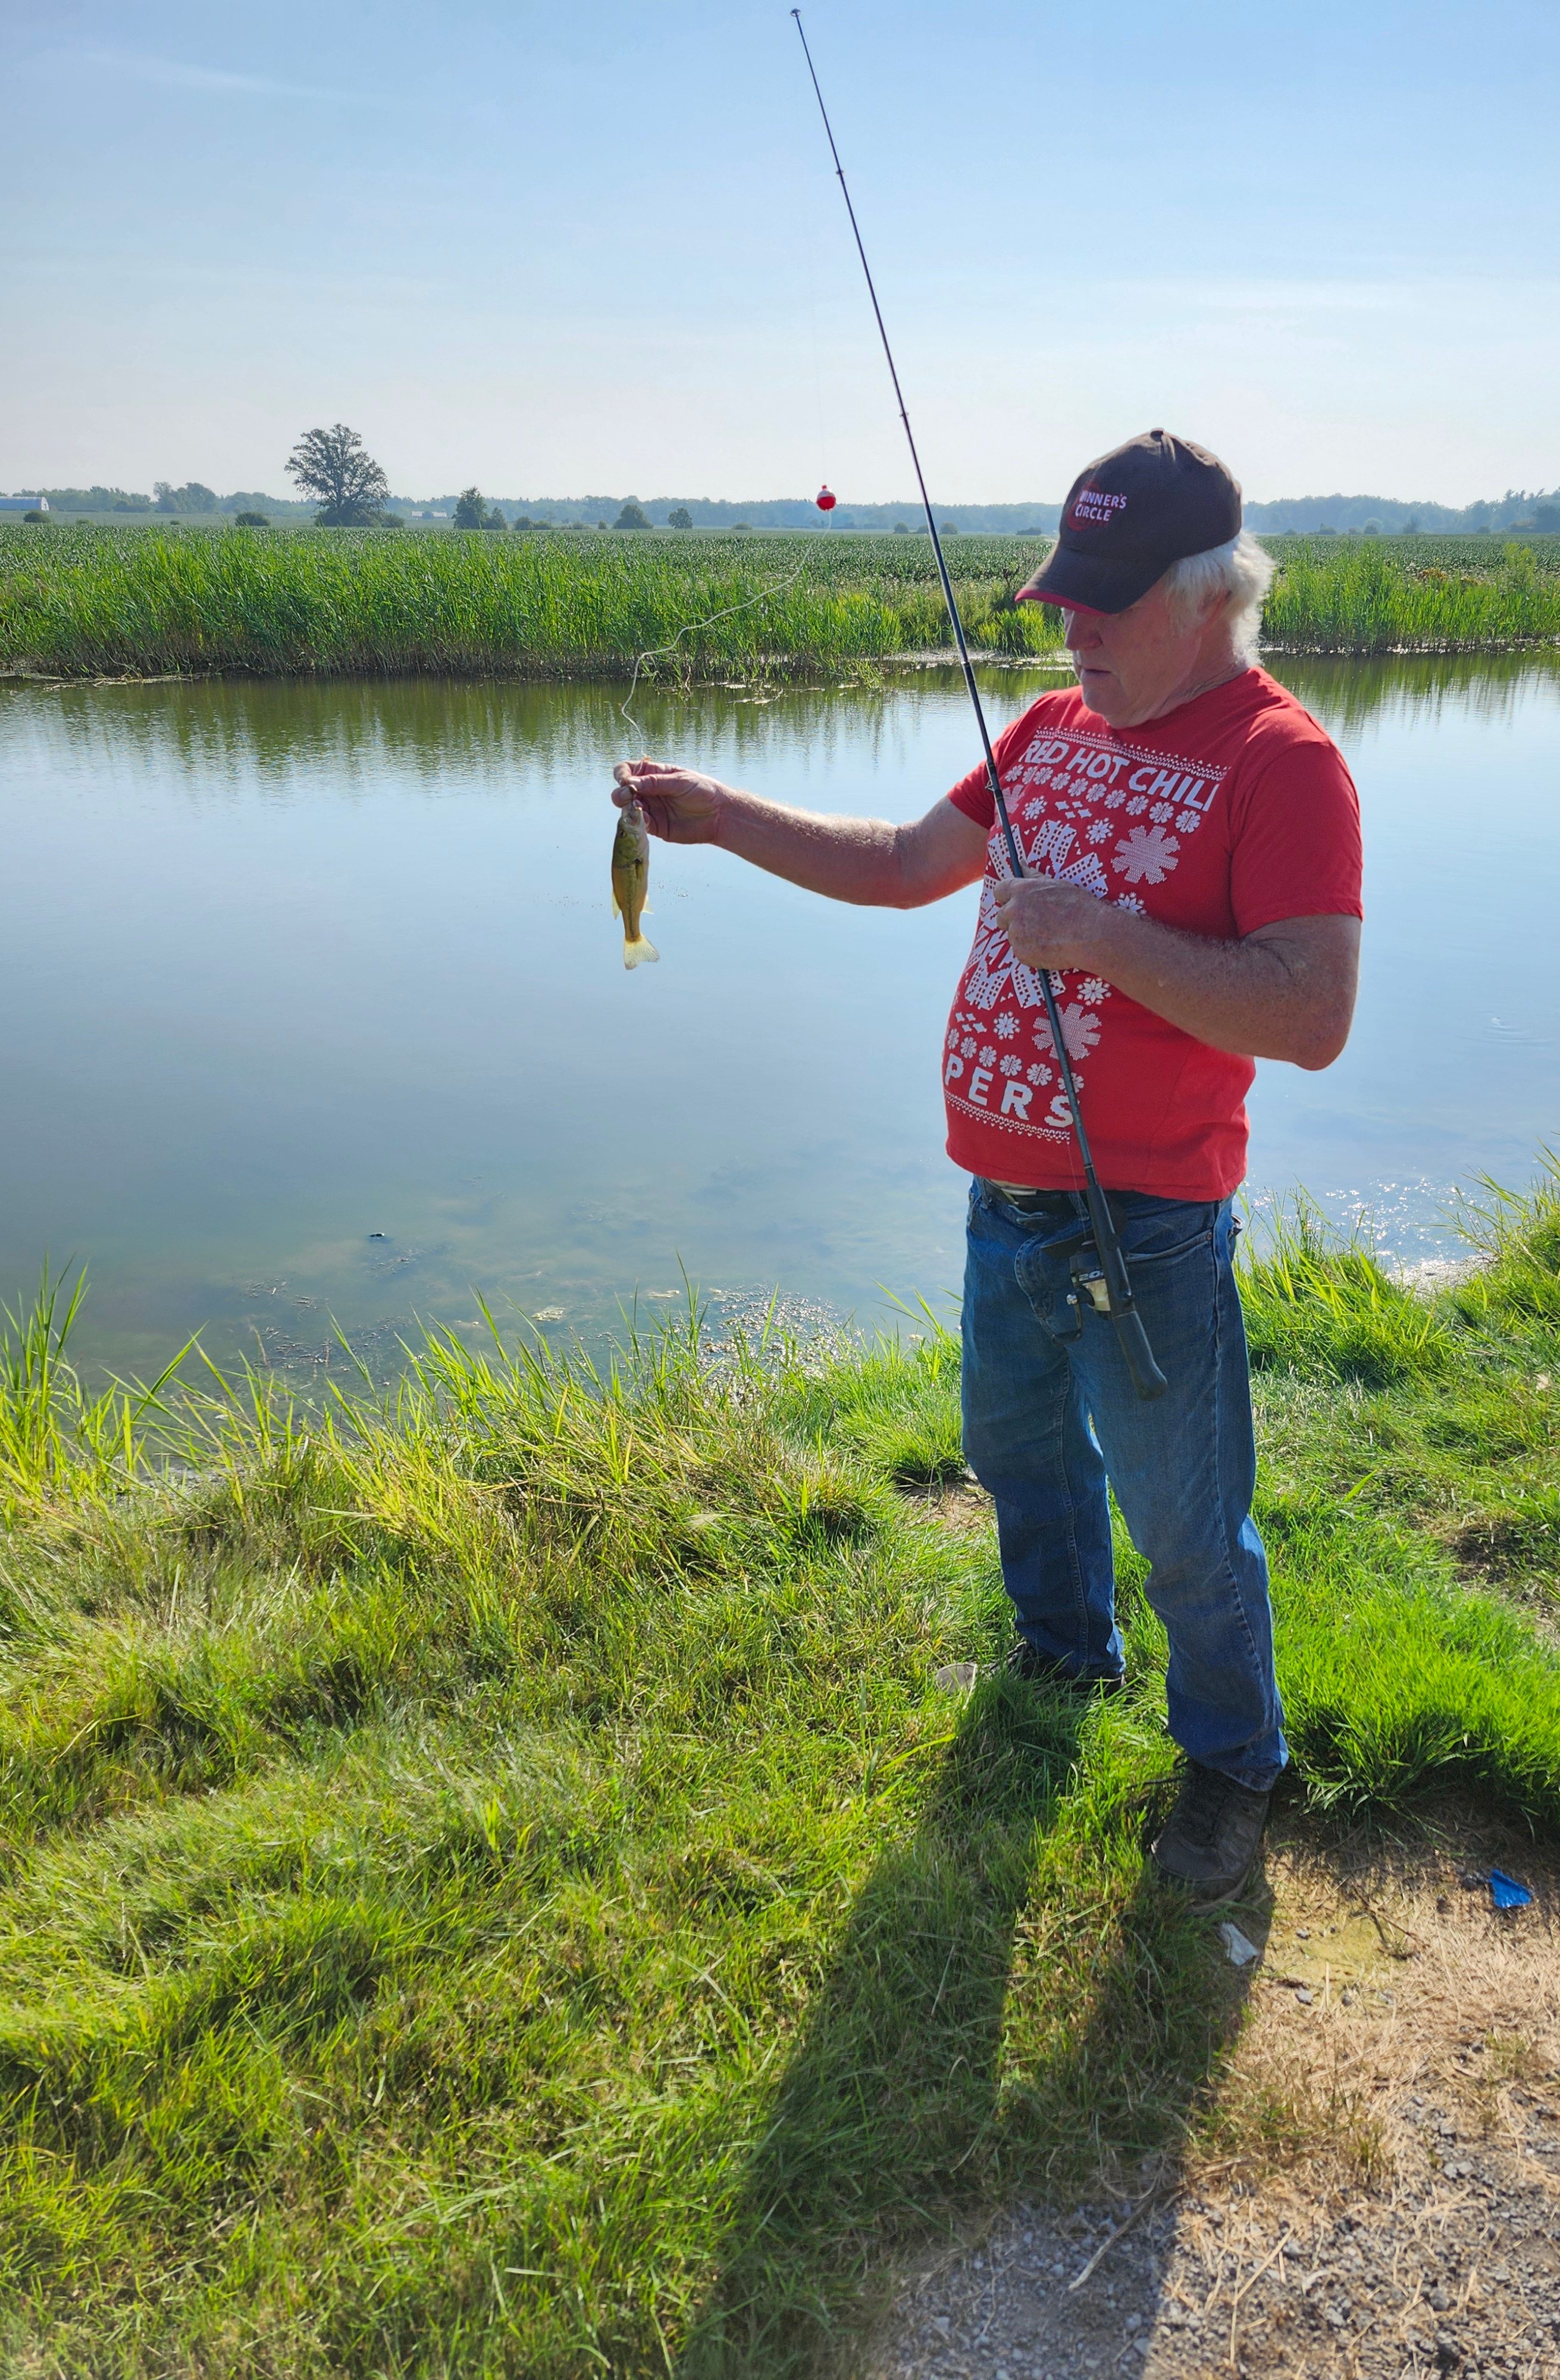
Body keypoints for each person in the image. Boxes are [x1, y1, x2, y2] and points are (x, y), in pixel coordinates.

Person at [613, 431, 1363, 1906]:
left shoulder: (1284, 764)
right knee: (1017, 1456)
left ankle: (1232, 1764)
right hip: (1002, 1206)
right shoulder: (1046, 727)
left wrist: (1099, 936)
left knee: (1186, 1525)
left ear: (1211, 595)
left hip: (1148, 1225)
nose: (1072, 627)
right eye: (1063, 595)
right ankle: (1065, 1657)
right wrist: (726, 817)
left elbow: (1311, 1015)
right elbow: (904, 860)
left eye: (1106, 601)